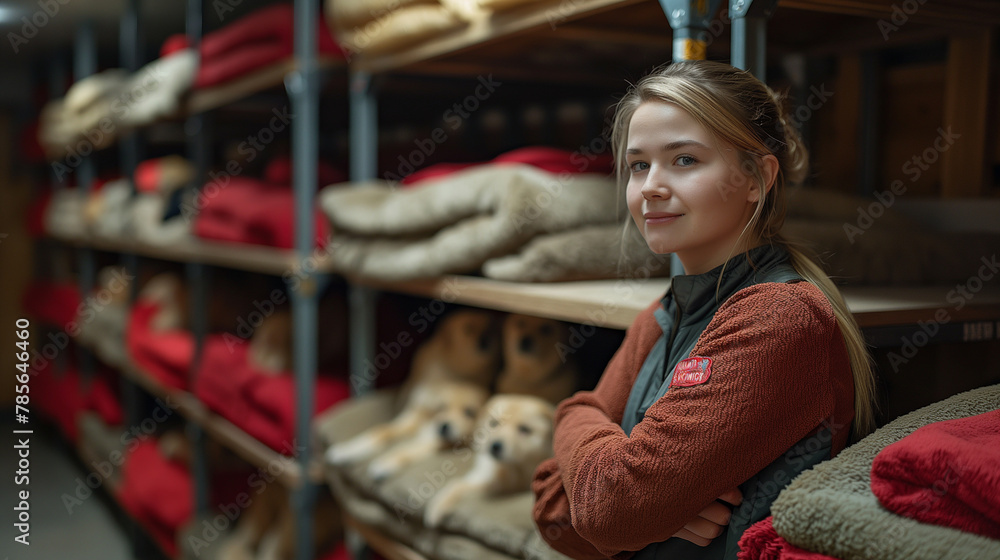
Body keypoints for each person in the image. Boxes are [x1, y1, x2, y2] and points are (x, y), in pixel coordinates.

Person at [531, 60, 878, 560]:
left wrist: (575, 419)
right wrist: (646, 512)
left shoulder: (778, 318)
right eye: (638, 165)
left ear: (756, 178)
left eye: (684, 160)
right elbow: (555, 516)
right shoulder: (661, 315)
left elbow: (611, 510)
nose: (650, 185)